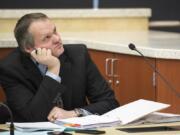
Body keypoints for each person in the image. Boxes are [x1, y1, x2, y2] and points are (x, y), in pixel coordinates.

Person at [0, 13, 119, 122]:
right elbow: (33, 116)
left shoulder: (78, 56)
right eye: (47, 38)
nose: (57, 39)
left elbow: (110, 103)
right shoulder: (11, 68)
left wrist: (74, 113)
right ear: (29, 48)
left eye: (55, 31)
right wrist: (53, 69)